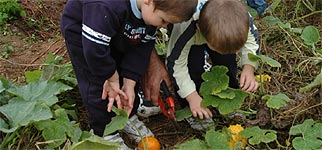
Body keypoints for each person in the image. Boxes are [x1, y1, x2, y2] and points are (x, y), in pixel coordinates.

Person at [60, 0, 197, 148]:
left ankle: (125, 115)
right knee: (98, 84)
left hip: (118, 30)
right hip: (85, 37)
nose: (163, 26)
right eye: (163, 20)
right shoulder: (107, 6)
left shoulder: (149, 14)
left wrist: (129, 83)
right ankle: (105, 132)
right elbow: (95, 51)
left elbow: (140, 50)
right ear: (148, 1)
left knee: (124, 71)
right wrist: (111, 78)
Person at [142, 0, 260, 131]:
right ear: (200, 31)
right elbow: (176, 64)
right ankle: (192, 107)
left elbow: (252, 40)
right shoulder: (185, 28)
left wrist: (249, 68)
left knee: (226, 63)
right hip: (190, 29)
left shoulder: (241, 18)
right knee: (194, 66)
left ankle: (226, 100)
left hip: (216, 26)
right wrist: (192, 97)